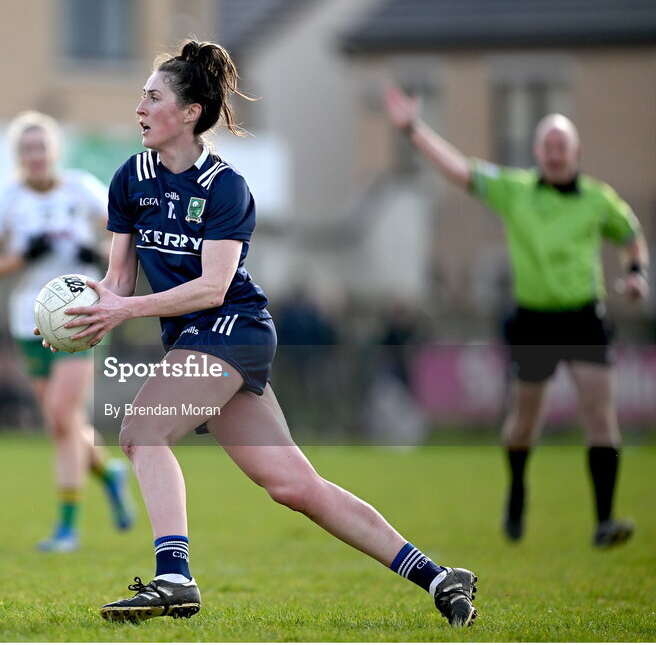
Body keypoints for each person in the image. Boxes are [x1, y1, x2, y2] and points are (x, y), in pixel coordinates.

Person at [40, 40, 478, 626]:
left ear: (190, 111)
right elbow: (118, 277)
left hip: (233, 329)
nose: (139, 107)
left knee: (142, 430)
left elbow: (212, 288)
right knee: (294, 485)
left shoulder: (225, 188)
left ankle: (174, 578)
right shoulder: (129, 179)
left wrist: (124, 309)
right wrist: (87, 316)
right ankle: (437, 575)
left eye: (152, 96)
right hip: (197, 341)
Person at [383, 84, 649, 548]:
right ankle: (518, 491)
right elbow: (459, 169)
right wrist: (414, 130)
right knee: (525, 422)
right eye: (547, 147)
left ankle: (605, 519)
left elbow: (631, 235)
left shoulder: (597, 199)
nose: (555, 155)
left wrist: (635, 273)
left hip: (585, 317)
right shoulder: (517, 191)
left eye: (562, 147)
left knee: (601, 417)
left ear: (576, 152)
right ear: (536, 152)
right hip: (534, 321)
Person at [0, 110, 135, 552]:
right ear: (18, 156)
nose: (35, 156)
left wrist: (95, 248)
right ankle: (109, 473)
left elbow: (126, 239)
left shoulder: (81, 188)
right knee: (60, 422)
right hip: (28, 320)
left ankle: (67, 528)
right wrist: (23, 257)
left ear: (54, 152)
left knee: (63, 417)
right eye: (27, 149)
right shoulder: (5, 197)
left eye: (41, 147)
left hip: (80, 318)